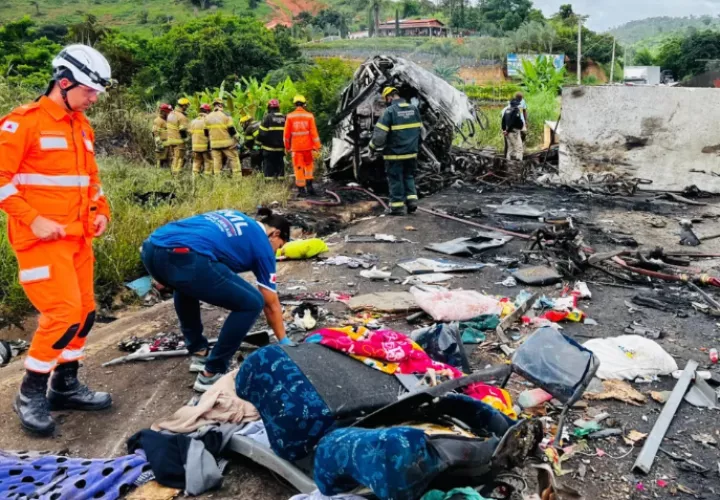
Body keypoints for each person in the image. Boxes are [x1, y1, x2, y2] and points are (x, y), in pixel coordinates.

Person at [0, 44, 114, 436]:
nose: (94, 98)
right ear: (63, 83)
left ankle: (64, 386)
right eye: (88, 90)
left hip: (79, 240)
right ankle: (30, 393)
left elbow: (91, 182)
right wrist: (34, 220)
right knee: (62, 314)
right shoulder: (22, 123)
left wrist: (101, 213)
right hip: (41, 242)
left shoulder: (81, 125)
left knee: (84, 312)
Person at [141, 208, 292, 392]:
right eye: (280, 245)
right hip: (186, 255)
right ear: (275, 234)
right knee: (252, 303)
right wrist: (284, 341)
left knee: (185, 284)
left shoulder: (236, 215)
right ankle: (212, 373)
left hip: (151, 248)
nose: (276, 251)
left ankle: (199, 353)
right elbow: (271, 304)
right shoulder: (262, 245)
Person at [369, 87, 423, 216]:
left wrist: (372, 147)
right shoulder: (413, 109)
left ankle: (397, 207)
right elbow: (420, 132)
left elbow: (379, 136)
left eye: (386, 99)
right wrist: (415, 146)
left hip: (394, 154)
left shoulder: (389, 112)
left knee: (396, 179)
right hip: (411, 153)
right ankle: (412, 202)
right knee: (409, 176)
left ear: (389, 97)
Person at [284, 95, 321, 197]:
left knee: (298, 168)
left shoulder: (290, 116)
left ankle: (301, 191)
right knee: (309, 167)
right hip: (308, 147)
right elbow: (314, 133)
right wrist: (317, 146)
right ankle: (310, 187)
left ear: (295, 104)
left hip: (296, 148)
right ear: (304, 104)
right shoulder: (309, 116)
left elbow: (286, 135)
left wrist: (287, 147)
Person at [206, 98, 241, 176]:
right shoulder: (226, 115)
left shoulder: (208, 117)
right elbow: (231, 129)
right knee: (234, 159)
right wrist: (237, 138)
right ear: (220, 105)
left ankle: (217, 179)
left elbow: (206, 132)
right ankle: (237, 178)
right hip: (227, 144)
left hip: (214, 144)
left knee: (216, 161)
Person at [258, 99, 286, 180]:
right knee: (280, 165)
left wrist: (261, 144)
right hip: (281, 149)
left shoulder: (267, 118)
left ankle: (269, 184)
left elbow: (261, 134)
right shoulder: (284, 117)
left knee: (268, 166)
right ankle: (281, 182)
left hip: (268, 149)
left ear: (269, 108)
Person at [167, 98, 190, 175]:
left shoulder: (171, 113)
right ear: (183, 106)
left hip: (170, 139)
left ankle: (172, 172)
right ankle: (176, 175)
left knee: (173, 157)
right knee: (179, 158)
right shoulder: (182, 117)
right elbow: (183, 130)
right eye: (186, 106)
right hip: (178, 140)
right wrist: (186, 139)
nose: (187, 107)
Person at [189, 103, 212, 176]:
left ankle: (194, 179)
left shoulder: (193, 121)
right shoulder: (208, 120)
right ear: (208, 111)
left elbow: (190, 133)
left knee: (196, 162)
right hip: (205, 147)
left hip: (195, 147)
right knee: (208, 162)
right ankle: (207, 179)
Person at [152, 103, 172, 169]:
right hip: (161, 143)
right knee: (160, 160)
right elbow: (155, 132)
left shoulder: (166, 120)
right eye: (167, 112)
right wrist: (158, 143)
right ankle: (158, 173)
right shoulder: (158, 120)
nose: (169, 114)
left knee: (169, 160)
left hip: (168, 144)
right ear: (163, 112)